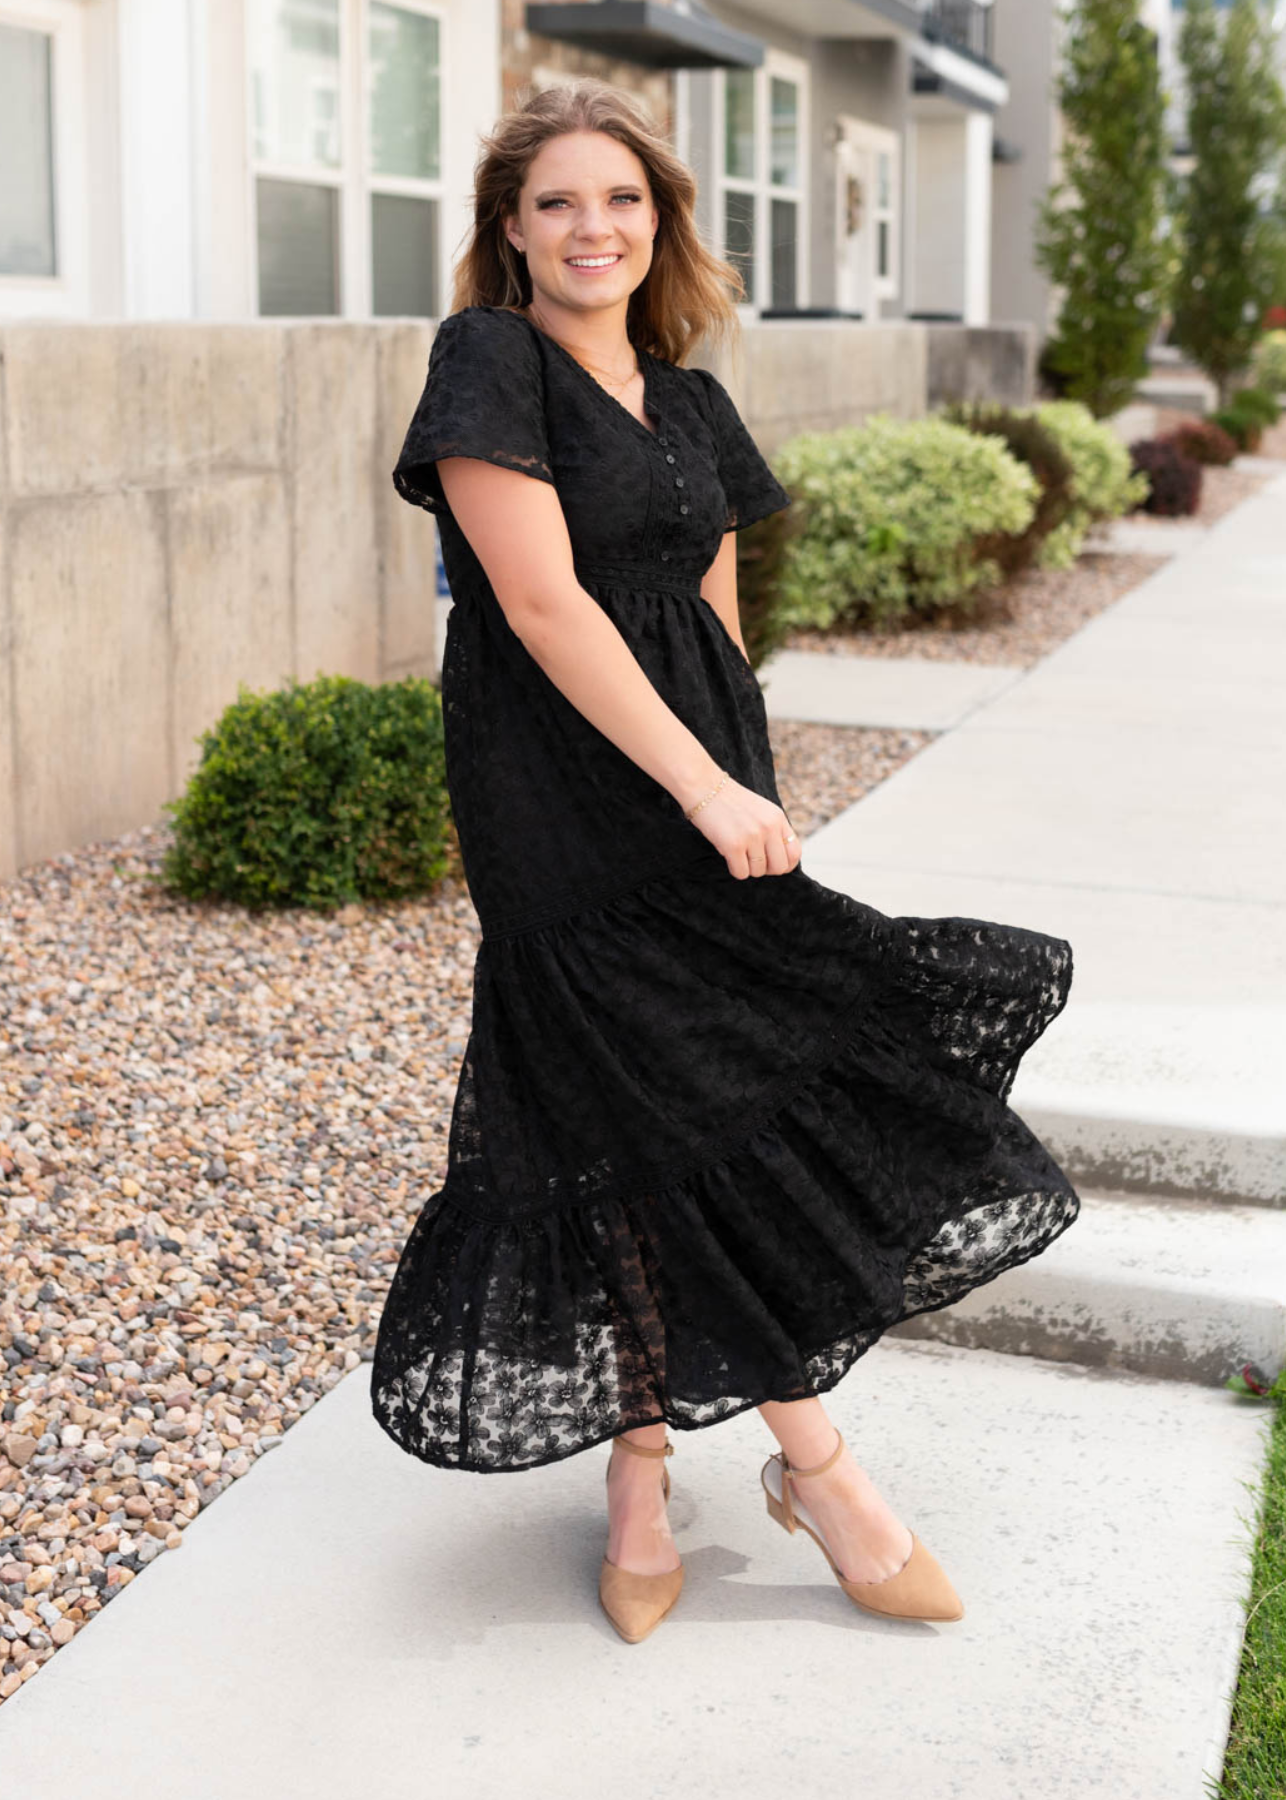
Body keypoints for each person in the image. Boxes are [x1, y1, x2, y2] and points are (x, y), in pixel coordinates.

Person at [370, 77, 1081, 1643]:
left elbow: (716, 621)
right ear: (509, 227)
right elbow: (542, 606)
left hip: (699, 783)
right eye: (555, 200)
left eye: (619, 199)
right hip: (558, 790)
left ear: (660, 223)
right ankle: (819, 1469)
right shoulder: (488, 362)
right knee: (654, 1090)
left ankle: (639, 1465)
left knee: (656, 1094)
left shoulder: (686, 402)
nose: (590, 228)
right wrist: (696, 788)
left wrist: (740, 787)